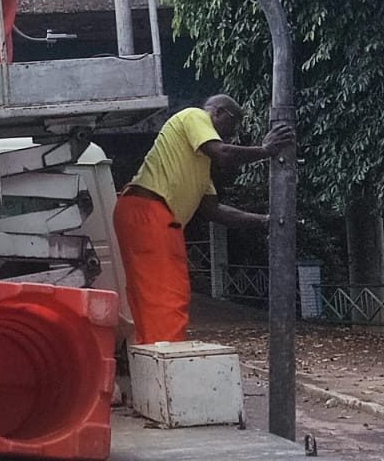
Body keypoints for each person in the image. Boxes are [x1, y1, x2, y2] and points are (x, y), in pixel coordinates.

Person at [113, 95, 296, 346]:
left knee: (152, 297)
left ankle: (153, 356)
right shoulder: (194, 115)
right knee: (167, 295)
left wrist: (267, 220)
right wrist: (265, 151)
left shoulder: (197, 163)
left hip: (146, 212)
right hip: (149, 211)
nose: (231, 136)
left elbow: (213, 210)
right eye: (232, 126)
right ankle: (169, 362)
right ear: (220, 113)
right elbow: (222, 152)